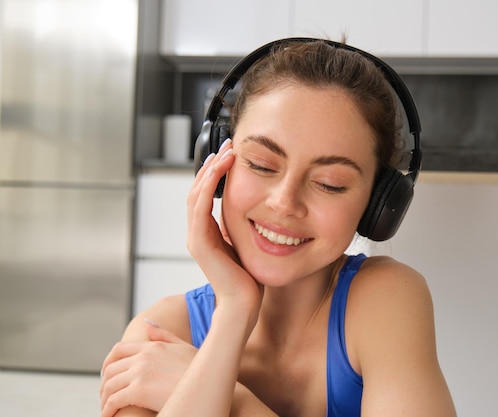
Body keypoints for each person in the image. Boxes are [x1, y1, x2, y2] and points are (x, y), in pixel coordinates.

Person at [99, 38, 456, 417]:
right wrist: (234, 312)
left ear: (376, 205)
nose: (284, 203)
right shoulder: (162, 334)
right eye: (261, 164)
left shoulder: (385, 300)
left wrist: (233, 401)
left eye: (329, 183)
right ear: (217, 165)